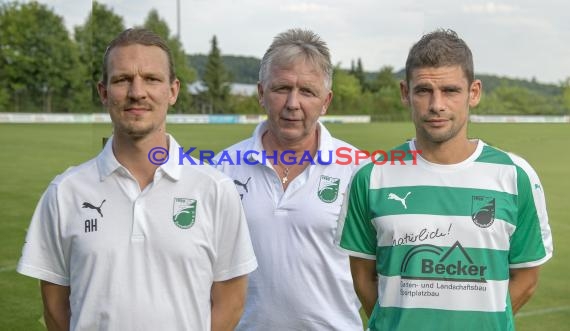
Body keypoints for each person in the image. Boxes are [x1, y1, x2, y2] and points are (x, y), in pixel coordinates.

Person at [17, 28, 257, 331]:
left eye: (152, 79)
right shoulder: (65, 192)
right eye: (122, 79)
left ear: (173, 91)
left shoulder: (216, 189)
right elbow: (54, 309)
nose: (137, 92)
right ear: (103, 92)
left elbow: (231, 300)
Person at [335, 28, 554, 330]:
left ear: (473, 93)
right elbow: (363, 277)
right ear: (405, 93)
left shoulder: (515, 175)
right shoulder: (371, 177)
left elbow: (526, 279)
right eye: (423, 90)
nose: (436, 104)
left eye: (450, 91)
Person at [213, 28, 363, 330]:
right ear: (261, 93)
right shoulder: (222, 169)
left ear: (326, 101)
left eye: (307, 92)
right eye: (282, 88)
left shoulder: (359, 171)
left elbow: (378, 273)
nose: (293, 103)